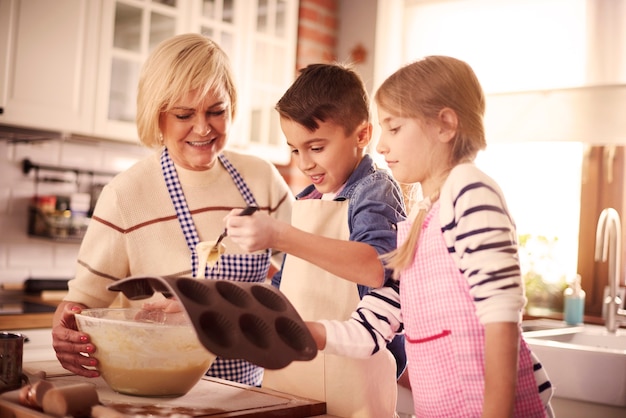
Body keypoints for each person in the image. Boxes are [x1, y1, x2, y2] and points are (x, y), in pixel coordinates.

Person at [305, 56, 555, 417]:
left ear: (445, 125)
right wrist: (304, 332)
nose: (381, 147)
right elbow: (373, 327)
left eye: (394, 128)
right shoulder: (424, 215)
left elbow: (502, 319)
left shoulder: (469, 191)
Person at [51, 33, 294, 387]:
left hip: (248, 394)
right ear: (157, 115)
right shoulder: (125, 196)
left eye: (217, 111)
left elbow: (302, 278)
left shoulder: (261, 179)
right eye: (184, 114)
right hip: (158, 393)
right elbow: (83, 304)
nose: (203, 128)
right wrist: (66, 329)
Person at [224, 63, 406, 417]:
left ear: (362, 135)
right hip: (294, 381)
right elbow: (283, 295)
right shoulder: (307, 199)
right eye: (294, 150)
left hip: (353, 387)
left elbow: (374, 268)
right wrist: (212, 305)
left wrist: (279, 234)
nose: (304, 162)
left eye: (316, 147)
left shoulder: (375, 191)